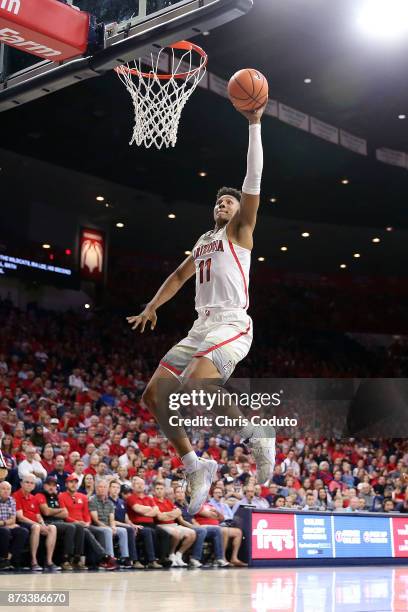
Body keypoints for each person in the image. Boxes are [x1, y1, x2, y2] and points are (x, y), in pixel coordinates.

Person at [127, 103, 275, 513]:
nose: (223, 206)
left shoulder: (241, 231)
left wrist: (255, 123)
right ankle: (195, 465)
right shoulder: (203, 240)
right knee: (154, 396)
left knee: (195, 384)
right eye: (220, 203)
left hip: (232, 323)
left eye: (229, 202)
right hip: (199, 327)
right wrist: (152, 306)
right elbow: (177, 276)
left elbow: (254, 178)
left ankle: (256, 433)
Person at [58, 474, 116, 570]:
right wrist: (77, 522)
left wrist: (88, 522)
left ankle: (100, 562)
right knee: (84, 531)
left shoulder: (83, 497)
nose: (73, 484)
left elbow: (86, 514)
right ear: (66, 484)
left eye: (75, 482)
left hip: (85, 524)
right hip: (71, 524)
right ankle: (104, 557)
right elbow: (65, 515)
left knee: (101, 531)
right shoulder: (62, 496)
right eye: (71, 482)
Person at [13, 474, 60, 571]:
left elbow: (38, 516)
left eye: (32, 483)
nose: (29, 485)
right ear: (21, 483)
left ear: (34, 486)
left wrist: (43, 525)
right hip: (23, 523)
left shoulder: (33, 497)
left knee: (52, 528)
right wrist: (39, 525)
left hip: (36, 523)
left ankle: (49, 561)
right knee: (36, 527)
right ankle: (33, 561)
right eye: (27, 482)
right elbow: (20, 517)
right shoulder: (16, 495)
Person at [174, 485, 227, 567]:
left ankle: (218, 558)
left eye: (182, 492)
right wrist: (195, 527)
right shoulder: (175, 505)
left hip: (193, 526)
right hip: (184, 527)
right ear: (174, 494)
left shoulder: (186, 506)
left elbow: (192, 520)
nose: (180, 494)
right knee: (202, 531)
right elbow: (181, 521)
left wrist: (198, 526)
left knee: (216, 530)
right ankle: (195, 558)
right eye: (178, 492)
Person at [36, 476, 78, 571]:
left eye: (54, 485)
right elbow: (46, 512)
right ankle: (65, 559)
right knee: (70, 527)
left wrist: (53, 511)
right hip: (47, 522)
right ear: (44, 485)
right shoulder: (40, 495)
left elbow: (66, 513)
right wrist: (59, 510)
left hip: (58, 522)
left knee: (78, 527)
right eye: (49, 485)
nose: (51, 487)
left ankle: (77, 559)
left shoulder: (56, 496)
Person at [152, 481, 195, 567]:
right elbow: (160, 517)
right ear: (154, 491)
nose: (159, 491)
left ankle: (179, 554)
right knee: (177, 534)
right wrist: (171, 514)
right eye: (157, 489)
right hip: (161, 525)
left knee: (192, 533)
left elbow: (178, 512)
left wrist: (166, 515)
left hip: (173, 525)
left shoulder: (167, 501)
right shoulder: (152, 501)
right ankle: (171, 554)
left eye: (161, 489)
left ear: (164, 491)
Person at [89, 480, 129, 568]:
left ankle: (124, 557)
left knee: (123, 531)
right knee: (107, 531)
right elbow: (96, 520)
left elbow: (112, 519)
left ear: (107, 489)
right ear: (96, 489)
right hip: (96, 526)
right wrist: (109, 528)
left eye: (104, 487)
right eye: (100, 487)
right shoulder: (93, 501)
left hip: (107, 525)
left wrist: (113, 527)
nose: (102, 489)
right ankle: (110, 559)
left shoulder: (110, 503)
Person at [195, 500, 246, 567]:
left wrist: (217, 513)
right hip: (206, 526)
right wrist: (215, 514)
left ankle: (234, 558)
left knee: (238, 532)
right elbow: (209, 515)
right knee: (224, 531)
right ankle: (222, 558)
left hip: (218, 525)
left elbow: (222, 518)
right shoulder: (196, 505)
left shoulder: (210, 505)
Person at [108, 480, 144, 569]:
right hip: (112, 525)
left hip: (122, 525)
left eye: (117, 488)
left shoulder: (122, 502)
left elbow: (126, 518)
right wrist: (128, 526)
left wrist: (133, 525)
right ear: (109, 489)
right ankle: (131, 559)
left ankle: (142, 558)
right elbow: (111, 521)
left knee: (137, 529)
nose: (115, 490)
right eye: (113, 487)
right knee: (129, 529)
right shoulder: (108, 501)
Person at [0, 481, 29, 570]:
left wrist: (5, 523)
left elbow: (13, 519)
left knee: (23, 531)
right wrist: (5, 524)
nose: (6, 491)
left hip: (7, 526)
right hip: (5, 527)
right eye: (3, 489)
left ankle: (8, 559)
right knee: (5, 531)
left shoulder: (12, 500)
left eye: (8, 489)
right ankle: (3, 559)